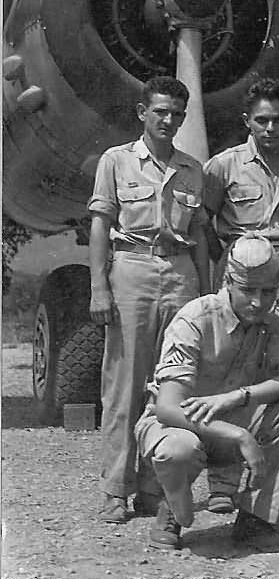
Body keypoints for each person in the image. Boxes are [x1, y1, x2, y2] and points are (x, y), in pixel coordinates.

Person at [135, 235, 279, 551]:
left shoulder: (272, 320)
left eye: (268, 292)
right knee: (178, 449)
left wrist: (240, 396)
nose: (258, 302)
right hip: (181, 425)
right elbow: (168, 408)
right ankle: (170, 509)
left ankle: (257, 520)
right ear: (228, 281)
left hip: (234, 417)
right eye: (248, 291)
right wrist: (240, 436)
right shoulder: (194, 318)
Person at [88, 76, 210, 524]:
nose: (168, 120)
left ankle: (153, 486)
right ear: (143, 113)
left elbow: (197, 233)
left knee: (172, 384)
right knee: (124, 384)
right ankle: (115, 488)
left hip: (180, 273)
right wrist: (99, 287)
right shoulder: (116, 161)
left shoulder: (192, 168)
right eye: (160, 111)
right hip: (132, 269)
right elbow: (100, 224)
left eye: (177, 114)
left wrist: (205, 294)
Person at [202, 77, 279, 512]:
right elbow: (205, 224)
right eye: (262, 120)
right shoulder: (223, 166)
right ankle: (223, 482)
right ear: (247, 121)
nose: (270, 128)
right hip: (242, 268)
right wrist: (227, 266)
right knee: (232, 371)